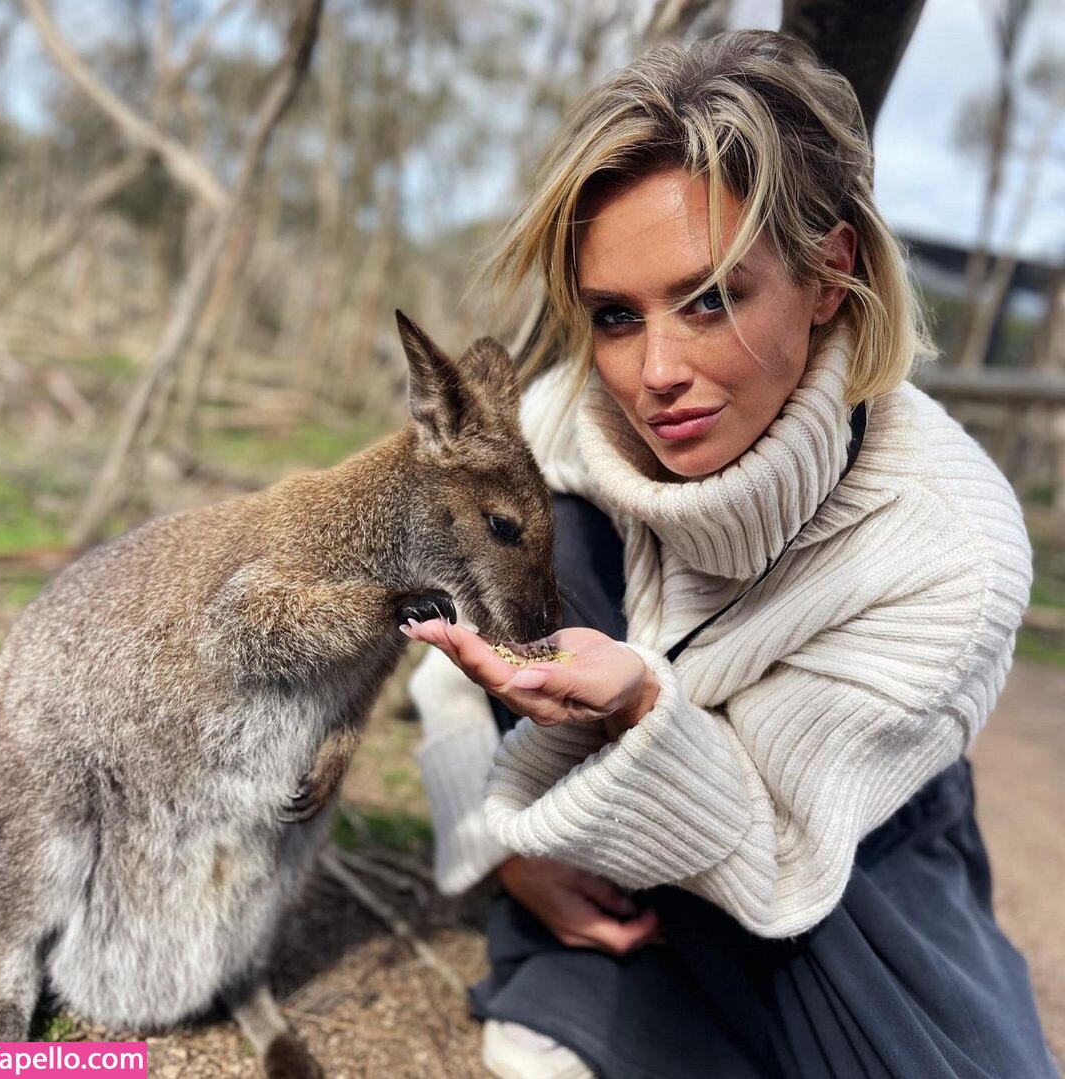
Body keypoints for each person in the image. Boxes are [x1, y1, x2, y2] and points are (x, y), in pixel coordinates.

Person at [405, 29, 1060, 1079]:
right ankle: (588, 964)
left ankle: (646, 1001)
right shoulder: (561, 424)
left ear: (829, 273)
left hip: (841, 839)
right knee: (538, 537)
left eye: (711, 297)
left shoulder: (953, 549)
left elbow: (783, 847)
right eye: (616, 316)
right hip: (626, 811)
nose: (655, 372)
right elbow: (452, 644)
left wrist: (640, 702)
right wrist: (498, 847)